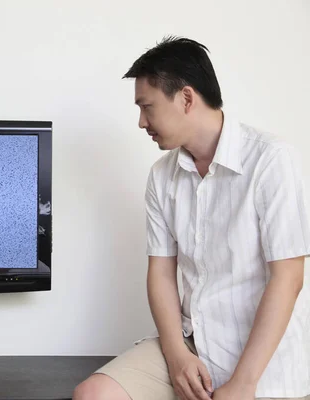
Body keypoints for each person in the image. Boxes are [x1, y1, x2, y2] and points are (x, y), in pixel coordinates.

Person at [73, 36, 310, 400]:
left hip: (262, 357)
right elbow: (161, 273)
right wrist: (176, 355)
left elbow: (289, 277)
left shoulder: (272, 161)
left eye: (147, 106)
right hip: (193, 345)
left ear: (186, 98)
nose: (140, 122)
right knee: (94, 394)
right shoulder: (161, 176)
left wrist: (244, 384)